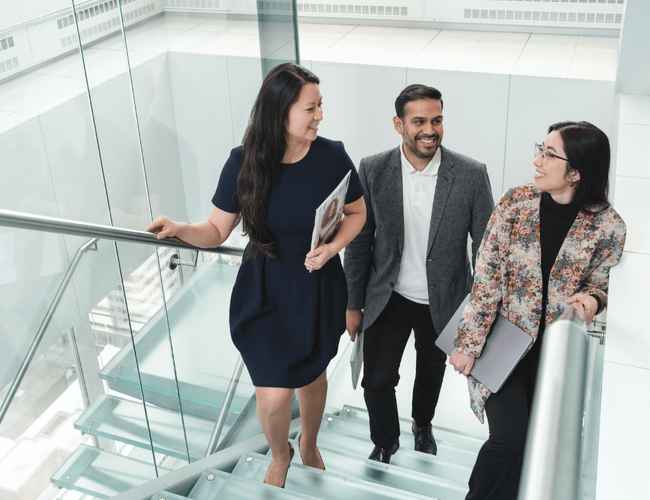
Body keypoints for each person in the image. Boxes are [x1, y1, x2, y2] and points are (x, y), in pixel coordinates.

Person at [147, 63, 366, 488]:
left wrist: (333, 248)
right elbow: (215, 230)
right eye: (311, 108)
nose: (320, 115)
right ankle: (281, 453)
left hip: (316, 285)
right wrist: (180, 229)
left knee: (312, 375)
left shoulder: (331, 155)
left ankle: (309, 443)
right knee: (273, 393)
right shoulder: (242, 162)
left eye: (320, 106)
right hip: (264, 289)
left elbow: (357, 213)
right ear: (280, 112)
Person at [450, 121, 627, 500]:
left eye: (549, 154)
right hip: (502, 347)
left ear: (576, 172)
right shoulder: (515, 204)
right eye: (540, 149)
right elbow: (486, 278)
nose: (537, 160)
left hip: (554, 357)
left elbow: (602, 282)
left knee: (531, 449)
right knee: (509, 440)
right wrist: (468, 343)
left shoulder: (608, 227)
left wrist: (593, 300)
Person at [344, 84, 494, 463]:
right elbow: (359, 243)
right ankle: (385, 440)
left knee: (430, 372)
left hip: (444, 301)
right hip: (388, 296)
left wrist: (477, 313)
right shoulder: (372, 169)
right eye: (419, 121)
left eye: (437, 120)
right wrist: (353, 304)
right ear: (399, 125)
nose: (430, 129)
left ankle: (422, 425)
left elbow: (487, 250)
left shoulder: (472, 175)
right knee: (377, 379)